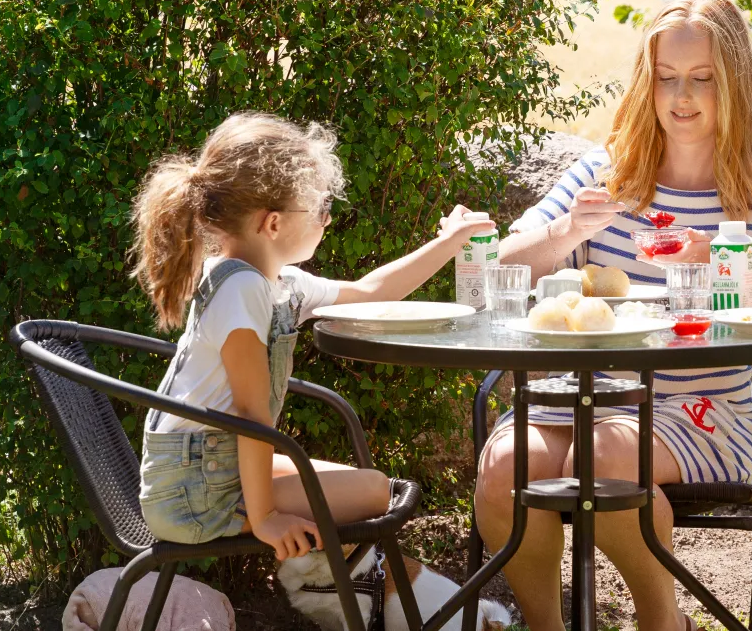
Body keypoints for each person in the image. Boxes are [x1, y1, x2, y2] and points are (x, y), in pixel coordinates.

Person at [475, 0, 752, 631]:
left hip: (704, 408)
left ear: (734, 81)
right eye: (665, 78)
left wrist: (721, 258)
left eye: (701, 79)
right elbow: (500, 260)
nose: (680, 95)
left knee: (602, 461)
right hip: (579, 394)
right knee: (504, 468)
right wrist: (565, 233)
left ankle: (665, 622)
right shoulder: (609, 174)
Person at [132, 112, 496, 567]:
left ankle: (357, 593)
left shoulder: (274, 281)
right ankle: (362, 596)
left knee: (369, 487)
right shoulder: (241, 290)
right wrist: (264, 518)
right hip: (192, 495)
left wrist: (450, 243)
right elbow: (252, 413)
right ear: (273, 224)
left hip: (207, 471)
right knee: (371, 491)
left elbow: (370, 293)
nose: (326, 220)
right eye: (320, 209)